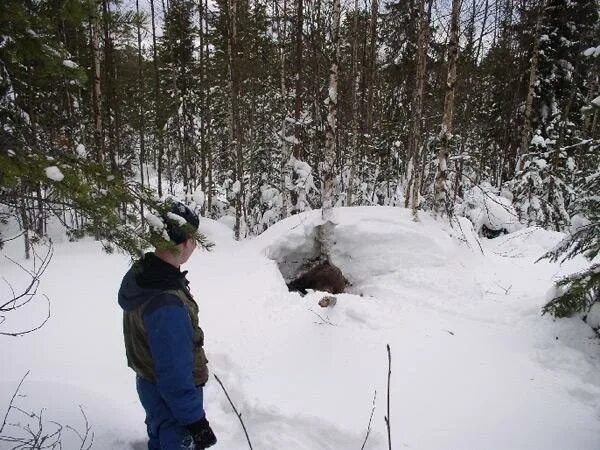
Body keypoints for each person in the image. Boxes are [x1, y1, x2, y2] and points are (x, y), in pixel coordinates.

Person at [118, 201, 217, 449]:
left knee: (160, 437)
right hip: (171, 399)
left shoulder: (146, 273)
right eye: (193, 239)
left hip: (150, 385)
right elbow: (173, 374)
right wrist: (195, 422)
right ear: (184, 243)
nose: (194, 245)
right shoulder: (166, 302)